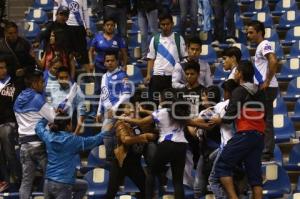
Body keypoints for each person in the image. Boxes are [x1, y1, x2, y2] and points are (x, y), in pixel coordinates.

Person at [209, 60, 265, 199]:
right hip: (259, 135)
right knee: (255, 180)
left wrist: (218, 120)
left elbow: (229, 117)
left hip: (245, 134)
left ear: (240, 74)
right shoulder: (260, 91)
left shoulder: (239, 91)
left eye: (236, 71)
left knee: (222, 166)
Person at [122, 91, 191, 199]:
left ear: (163, 100)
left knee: (151, 172)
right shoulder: (178, 112)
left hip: (168, 144)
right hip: (182, 145)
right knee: (178, 181)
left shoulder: (161, 112)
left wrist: (125, 119)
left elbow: (141, 122)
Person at [35, 112, 104, 199]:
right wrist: (105, 132)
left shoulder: (48, 136)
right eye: (71, 122)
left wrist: (48, 116)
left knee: (83, 185)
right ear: (68, 126)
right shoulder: (72, 140)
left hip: (48, 182)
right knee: (83, 186)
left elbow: (38, 127)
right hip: (64, 184)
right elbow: (93, 141)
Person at [14, 69, 56, 199]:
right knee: (50, 177)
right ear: (34, 83)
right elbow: (54, 118)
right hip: (39, 145)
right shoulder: (38, 98)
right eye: (41, 82)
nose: (43, 85)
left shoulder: (18, 99)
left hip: (24, 146)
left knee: (26, 182)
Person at [106, 103, 156, 199]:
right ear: (123, 114)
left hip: (134, 163)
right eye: (128, 110)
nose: (132, 112)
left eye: (132, 110)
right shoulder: (120, 124)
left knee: (146, 190)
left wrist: (144, 111)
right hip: (121, 163)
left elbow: (156, 116)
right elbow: (126, 140)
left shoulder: (137, 125)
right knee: (111, 193)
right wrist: (143, 137)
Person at [247, 20, 278, 162]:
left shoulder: (264, 44)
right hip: (266, 87)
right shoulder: (260, 46)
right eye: (247, 32)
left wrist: (266, 80)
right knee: (263, 119)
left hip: (267, 87)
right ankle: (264, 150)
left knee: (266, 120)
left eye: (251, 32)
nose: (248, 35)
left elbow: (273, 60)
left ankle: (267, 152)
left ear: (260, 33)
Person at [96, 51, 132, 161]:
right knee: (108, 136)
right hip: (108, 112)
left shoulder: (122, 75)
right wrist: (99, 111)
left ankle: (113, 160)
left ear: (117, 61)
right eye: (107, 61)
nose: (110, 63)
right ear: (104, 63)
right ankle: (112, 161)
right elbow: (103, 95)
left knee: (109, 135)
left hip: (120, 111)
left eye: (112, 60)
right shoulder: (103, 77)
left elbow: (126, 94)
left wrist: (115, 108)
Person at [145, 11, 187, 104]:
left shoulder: (178, 38)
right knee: (153, 104)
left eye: (167, 24)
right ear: (159, 25)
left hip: (173, 78)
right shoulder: (155, 39)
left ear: (172, 24)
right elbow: (151, 58)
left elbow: (185, 57)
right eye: (163, 24)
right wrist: (148, 74)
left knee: (172, 105)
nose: (165, 26)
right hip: (157, 77)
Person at [0, 56, 22, 190]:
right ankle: (5, 180)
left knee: (9, 153)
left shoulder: (15, 84)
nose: (1, 70)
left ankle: (18, 179)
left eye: (3, 67)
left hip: (9, 124)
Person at [47, 66, 87, 134]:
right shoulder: (52, 88)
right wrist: (53, 109)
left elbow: (81, 114)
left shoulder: (76, 90)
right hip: (52, 128)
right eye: (61, 78)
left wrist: (75, 134)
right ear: (57, 78)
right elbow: (49, 105)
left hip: (67, 130)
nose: (64, 80)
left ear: (69, 77)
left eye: (66, 77)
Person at [54, 0, 91, 68]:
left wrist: (88, 27)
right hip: (66, 27)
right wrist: (55, 25)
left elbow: (85, 11)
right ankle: (70, 75)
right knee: (68, 54)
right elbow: (56, 9)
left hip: (79, 27)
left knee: (83, 54)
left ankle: (87, 76)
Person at [0, 21, 36, 89]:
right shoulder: (1, 45)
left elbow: (32, 65)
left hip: (22, 81)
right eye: (10, 33)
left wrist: (24, 70)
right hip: (5, 80)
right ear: (5, 33)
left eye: (15, 33)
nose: (13, 35)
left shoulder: (25, 44)